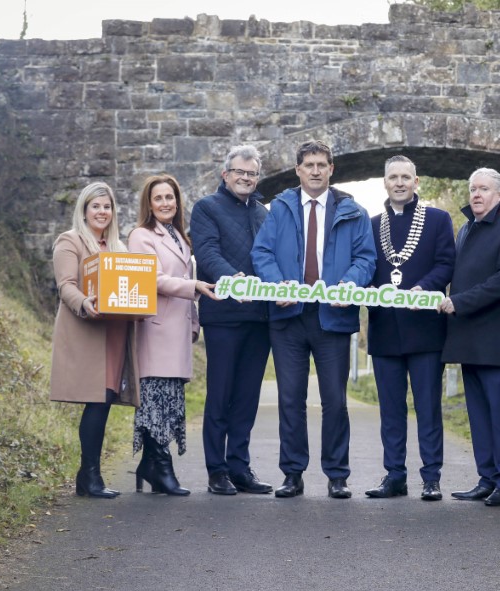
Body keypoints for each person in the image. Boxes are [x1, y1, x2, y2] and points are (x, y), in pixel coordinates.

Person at [252, 140, 375, 500]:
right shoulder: (279, 209)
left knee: (334, 400)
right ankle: (292, 474)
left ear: (331, 169)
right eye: (309, 165)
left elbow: (365, 259)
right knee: (291, 398)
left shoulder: (353, 211)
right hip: (288, 316)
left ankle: (337, 474)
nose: (316, 170)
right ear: (298, 170)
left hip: (333, 317)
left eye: (322, 164)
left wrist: (348, 284)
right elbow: (261, 253)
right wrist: (278, 284)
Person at [438, 168, 500, 507]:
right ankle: (487, 477)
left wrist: (459, 302)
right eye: (472, 189)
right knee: (478, 415)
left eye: (483, 189)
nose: (476, 194)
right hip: (470, 340)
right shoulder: (466, 228)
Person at [365, 155, 455, 501]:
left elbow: (446, 263)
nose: (399, 183)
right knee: (391, 408)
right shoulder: (372, 224)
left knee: (428, 406)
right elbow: (366, 266)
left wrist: (425, 287)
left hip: (425, 329)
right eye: (393, 177)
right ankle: (395, 475)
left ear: (416, 182)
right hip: (385, 328)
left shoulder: (436, 220)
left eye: (406, 177)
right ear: (385, 183)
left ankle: (431, 477)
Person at [128, 175, 219, 496]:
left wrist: (194, 323)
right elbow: (152, 279)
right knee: (154, 401)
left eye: (171, 197)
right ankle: (160, 468)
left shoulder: (181, 237)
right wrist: (194, 288)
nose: (166, 203)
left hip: (178, 331)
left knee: (170, 403)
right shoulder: (141, 236)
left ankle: (151, 465)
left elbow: (184, 275)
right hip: (154, 331)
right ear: (149, 204)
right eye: (159, 198)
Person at [189, 145, 273, 496]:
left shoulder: (265, 213)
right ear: (225, 174)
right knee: (221, 394)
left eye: (252, 173)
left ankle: (239, 467)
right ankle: (216, 469)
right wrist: (235, 281)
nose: (246, 178)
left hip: (260, 316)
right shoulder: (206, 208)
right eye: (240, 172)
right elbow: (206, 252)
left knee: (247, 397)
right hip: (224, 315)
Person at [50, 182, 139, 499]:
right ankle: (89, 476)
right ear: (84, 211)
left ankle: (88, 476)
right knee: (97, 402)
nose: (102, 212)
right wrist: (84, 303)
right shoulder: (70, 241)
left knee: (103, 402)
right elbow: (66, 285)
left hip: (115, 333)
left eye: (107, 207)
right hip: (88, 332)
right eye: (96, 206)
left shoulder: (120, 249)